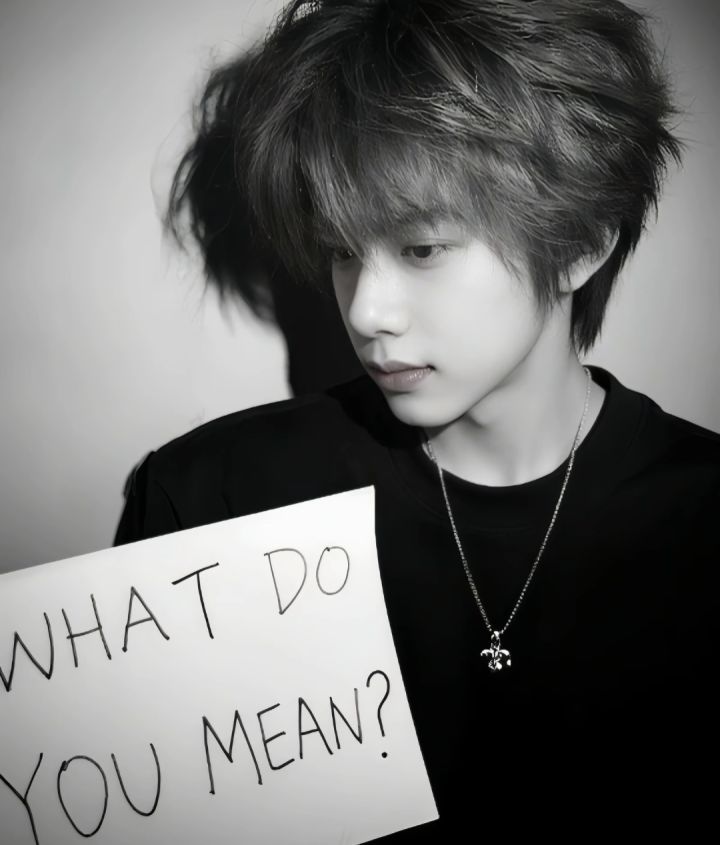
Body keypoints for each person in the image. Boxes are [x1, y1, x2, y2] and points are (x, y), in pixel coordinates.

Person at [116, 0, 719, 839]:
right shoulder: (214, 499)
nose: (367, 311)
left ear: (582, 242)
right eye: (341, 250)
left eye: (422, 247)